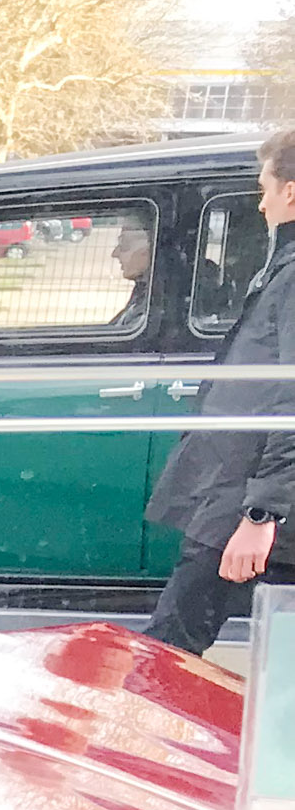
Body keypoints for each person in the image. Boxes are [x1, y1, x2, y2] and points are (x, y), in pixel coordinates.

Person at [143, 128, 295, 656]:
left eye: (264, 189)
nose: (261, 203)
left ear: (291, 192)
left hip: (244, 499)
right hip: (248, 493)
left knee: (169, 647)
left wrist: (260, 515)